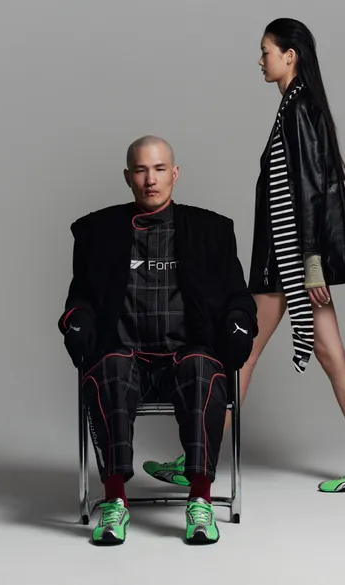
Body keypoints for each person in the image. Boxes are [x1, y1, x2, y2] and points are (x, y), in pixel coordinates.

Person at [143, 18, 345, 493]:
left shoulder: (300, 109)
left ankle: (196, 461)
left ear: (289, 55)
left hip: (290, 262)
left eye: (266, 52)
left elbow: (312, 191)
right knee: (319, 354)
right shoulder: (295, 106)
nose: (260, 61)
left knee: (243, 353)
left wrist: (311, 265)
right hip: (290, 259)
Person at [58, 135, 257, 545]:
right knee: (110, 365)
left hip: (183, 358)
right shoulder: (98, 232)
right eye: (141, 170)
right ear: (127, 176)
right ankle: (115, 502)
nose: (151, 179)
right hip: (126, 357)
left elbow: (238, 298)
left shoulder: (211, 230)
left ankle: (200, 502)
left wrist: (239, 323)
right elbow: (80, 300)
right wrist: (75, 322)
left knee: (202, 367)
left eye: (160, 169)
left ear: (175, 174)